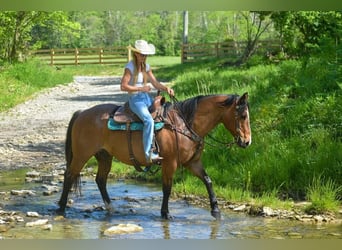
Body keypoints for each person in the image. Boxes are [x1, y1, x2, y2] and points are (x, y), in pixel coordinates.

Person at [120, 40, 174, 163]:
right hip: (135, 99)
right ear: (136, 54)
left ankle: (164, 145)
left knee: (163, 113)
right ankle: (148, 153)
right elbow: (123, 86)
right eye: (142, 55)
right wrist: (141, 88)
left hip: (146, 98)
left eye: (146, 55)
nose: (144, 57)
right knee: (148, 120)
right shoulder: (130, 67)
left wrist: (166, 88)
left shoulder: (146, 67)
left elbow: (155, 83)